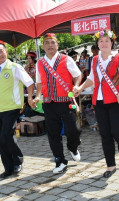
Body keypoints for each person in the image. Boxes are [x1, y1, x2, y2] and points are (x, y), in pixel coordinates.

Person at [73, 30, 119, 178]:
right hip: (98, 102)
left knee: (117, 131)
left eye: (107, 40)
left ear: (112, 42)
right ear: (97, 44)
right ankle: (110, 165)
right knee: (105, 134)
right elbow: (92, 78)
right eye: (101, 41)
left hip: (115, 100)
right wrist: (80, 88)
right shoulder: (94, 60)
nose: (104, 43)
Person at [32, 33, 82, 174]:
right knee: (53, 134)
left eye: (52, 43)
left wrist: (76, 86)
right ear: (43, 46)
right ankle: (60, 160)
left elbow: (78, 75)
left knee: (74, 130)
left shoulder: (66, 59)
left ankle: (73, 147)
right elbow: (39, 82)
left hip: (66, 101)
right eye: (47, 43)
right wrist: (37, 96)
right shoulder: (40, 62)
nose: (50, 45)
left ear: (57, 45)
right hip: (48, 103)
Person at [0, 42, 34, 178]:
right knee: (1, 139)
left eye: (1, 51)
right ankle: (8, 168)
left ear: (6, 52)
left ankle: (18, 161)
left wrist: (29, 98)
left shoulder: (15, 67)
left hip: (12, 108)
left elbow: (30, 83)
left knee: (6, 136)